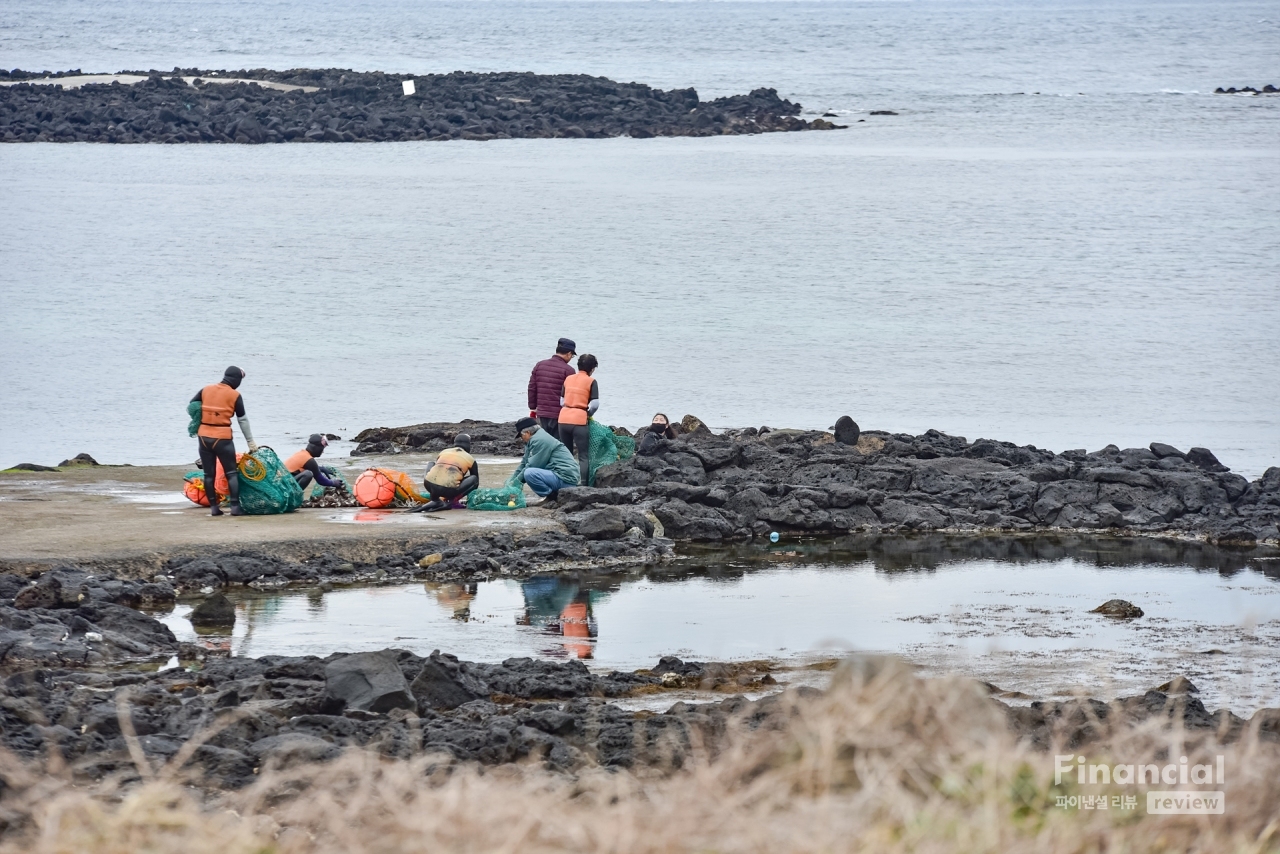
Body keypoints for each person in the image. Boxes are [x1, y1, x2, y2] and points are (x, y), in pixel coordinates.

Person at [190, 366, 256, 517]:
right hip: (223, 438)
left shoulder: (205, 389)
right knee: (231, 473)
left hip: (204, 437)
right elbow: (243, 420)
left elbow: (192, 405)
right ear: (237, 380)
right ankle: (235, 507)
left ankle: (214, 508)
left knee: (208, 474)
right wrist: (250, 442)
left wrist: (201, 418)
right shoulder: (235, 395)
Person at [509, 416, 580, 500]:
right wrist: (512, 481)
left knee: (529, 473)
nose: (521, 438)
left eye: (521, 435)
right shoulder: (534, 438)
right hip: (557, 475)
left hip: (566, 479)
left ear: (528, 432)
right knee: (527, 472)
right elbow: (524, 462)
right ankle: (552, 495)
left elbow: (533, 465)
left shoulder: (540, 440)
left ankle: (552, 497)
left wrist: (517, 482)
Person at [558, 353, 599, 485]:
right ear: (592, 369)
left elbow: (562, 401)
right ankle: (584, 483)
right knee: (583, 455)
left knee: (566, 454)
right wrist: (588, 414)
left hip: (563, 418)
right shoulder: (591, 381)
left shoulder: (568, 379)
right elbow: (594, 404)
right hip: (579, 420)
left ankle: (567, 480)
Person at [413, 433, 480, 512]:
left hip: (428, 484)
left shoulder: (444, 452)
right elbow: (474, 480)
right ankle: (451, 501)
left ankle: (435, 499)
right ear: (468, 445)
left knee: (432, 465)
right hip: (449, 490)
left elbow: (439, 471)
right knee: (474, 479)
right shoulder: (470, 459)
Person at [527, 338, 577, 436]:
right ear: (569, 354)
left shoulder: (539, 365)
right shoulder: (569, 370)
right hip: (559, 415)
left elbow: (532, 388)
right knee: (557, 444)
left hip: (541, 413)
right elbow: (570, 394)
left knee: (543, 442)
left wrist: (532, 408)